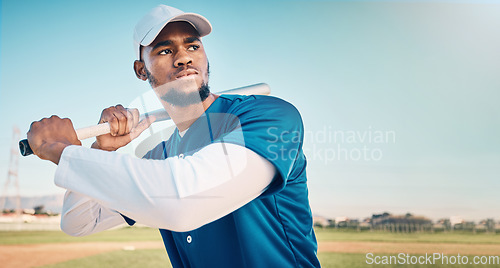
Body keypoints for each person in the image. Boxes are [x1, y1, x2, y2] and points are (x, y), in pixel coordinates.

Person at [27, 4, 320, 267]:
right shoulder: (161, 157)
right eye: (165, 50)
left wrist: (61, 149)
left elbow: (184, 202)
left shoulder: (271, 117)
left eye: (192, 47)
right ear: (141, 70)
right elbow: (79, 221)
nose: (183, 58)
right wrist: (101, 150)